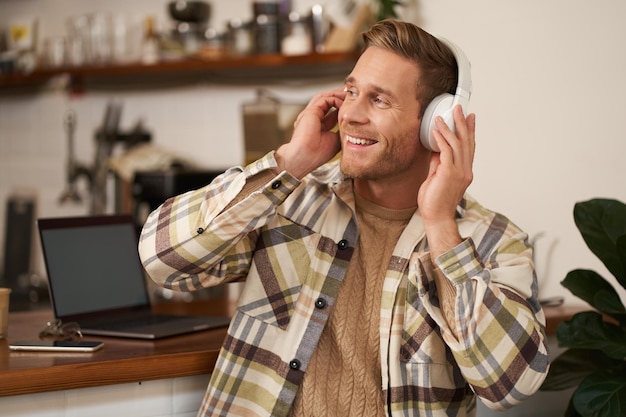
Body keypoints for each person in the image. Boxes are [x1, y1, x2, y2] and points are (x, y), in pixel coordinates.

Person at [138, 19, 549, 417]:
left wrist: (441, 225)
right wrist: (290, 161)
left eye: (380, 99)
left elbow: (510, 386)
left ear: (434, 125)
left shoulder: (493, 241)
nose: (351, 114)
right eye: (352, 91)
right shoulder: (289, 201)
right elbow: (162, 260)